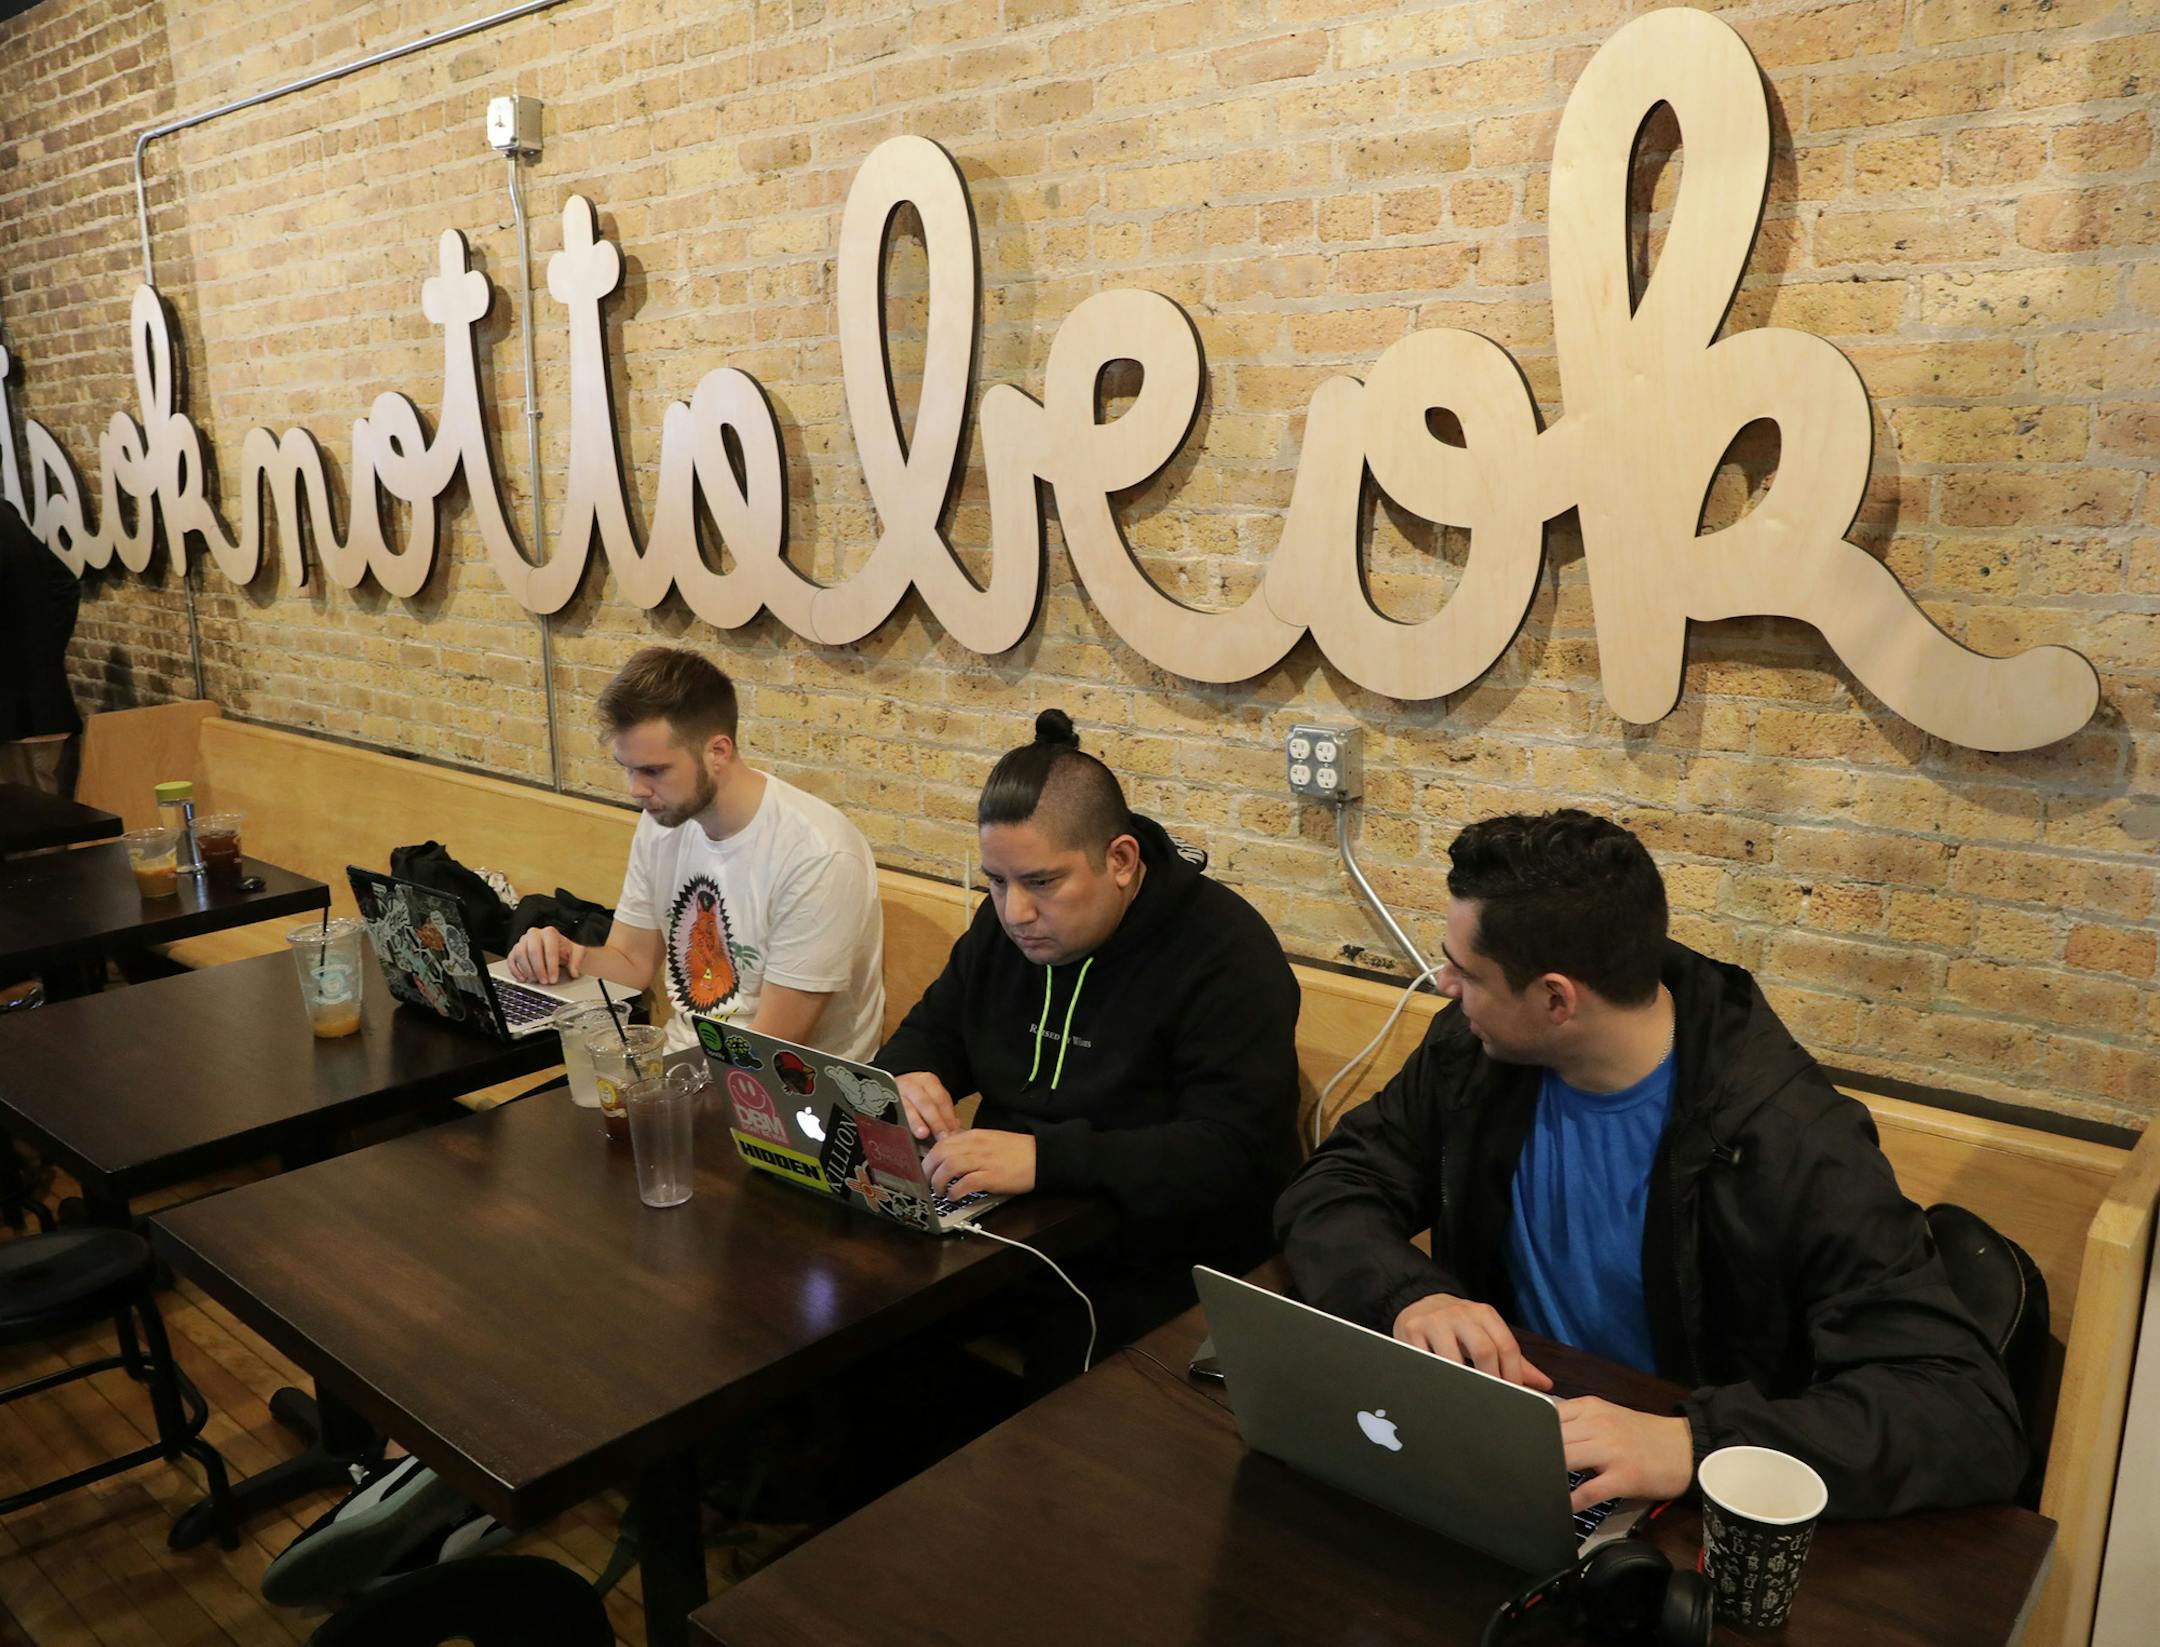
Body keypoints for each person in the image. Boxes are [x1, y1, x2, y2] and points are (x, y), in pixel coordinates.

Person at [1275, 809, 2025, 1521]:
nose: (1445, 986)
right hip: (1510, 1442)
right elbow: (1336, 1185)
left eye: (1464, 971)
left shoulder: (1790, 1138)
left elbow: (1967, 1416)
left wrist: (1697, 1442)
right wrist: (1413, 1295)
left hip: (1682, 1506)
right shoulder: (1474, 1049)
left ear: (1556, 999)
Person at [878, 708, 1301, 1344]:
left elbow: (1231, 1152)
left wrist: (1049, 1158)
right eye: (996, 881)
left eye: (1043, 882)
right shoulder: (1004, 928)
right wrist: (907, 1078)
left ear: (1122, 860)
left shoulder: (1225, 952)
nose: (1015, 911)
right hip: (1011, 1234)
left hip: (1165, 1264)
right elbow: (933, 1032)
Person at [507, 646, 883, 1058]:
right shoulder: (664, 818)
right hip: (684, 1063)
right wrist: (570, 955)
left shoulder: (817, 856)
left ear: (717, 752)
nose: (635, 789)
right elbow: (631, 963)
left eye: (654, 770)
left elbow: (768, 1048)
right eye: (627, 767)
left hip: (784, 1094)